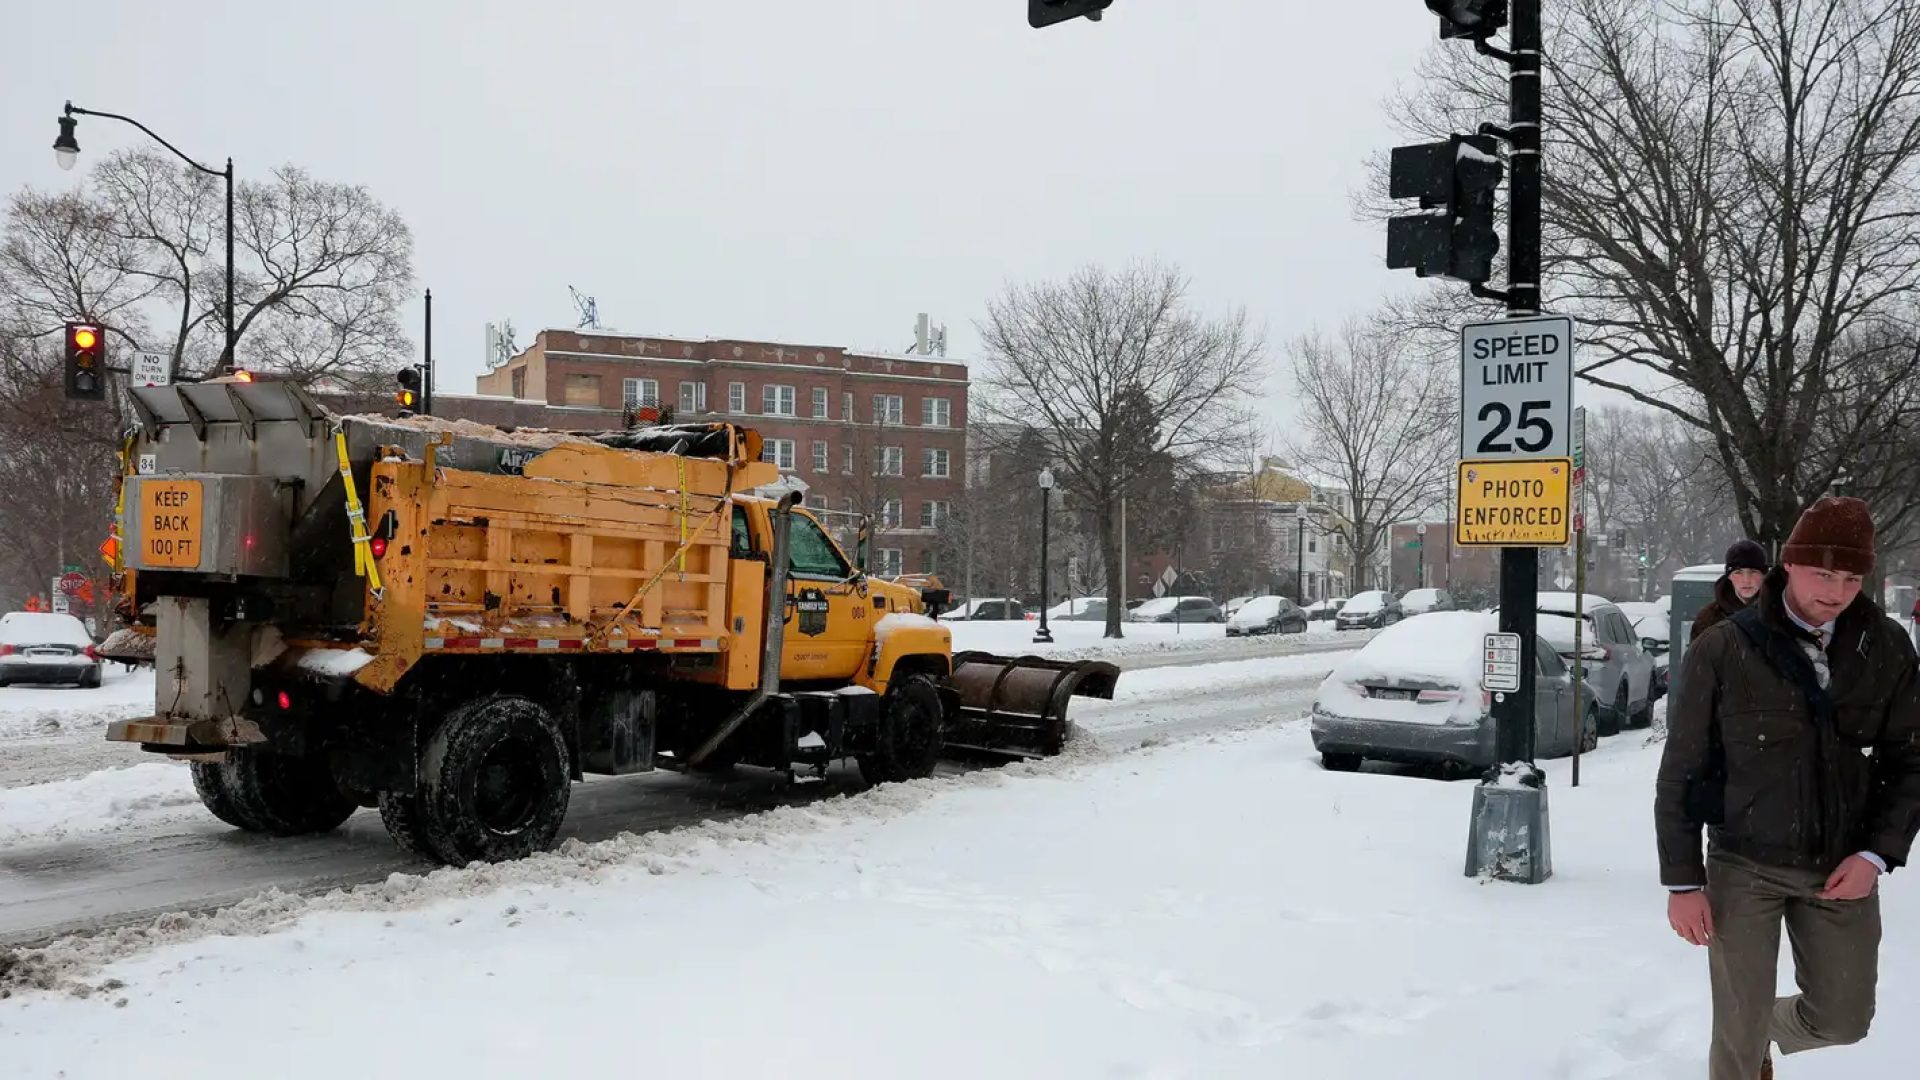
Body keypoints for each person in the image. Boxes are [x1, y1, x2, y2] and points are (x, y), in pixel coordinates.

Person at [1656, 497, 1920, 1079]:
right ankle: (1744, 1032)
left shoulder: (1886, 648)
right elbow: (1682, 769)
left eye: (1851, 577)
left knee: (1844, 1019)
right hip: (1743, 862)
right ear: (1790, 566)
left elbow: (1911, 758)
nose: (1837, 590)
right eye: (1823, 573)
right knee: (1737, 1045)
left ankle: (1758, 1024)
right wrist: (1682, 881)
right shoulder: (1724, 647)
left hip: (1840, 864)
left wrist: (1876, 854)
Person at [1691, 539, 1768, 640]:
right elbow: (1697, 655)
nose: (1746, 580)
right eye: (1738, 572)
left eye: (1753, 572)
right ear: (1729, 576)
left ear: (1764, 574)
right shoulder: (1708, 620)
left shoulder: (1779, 616)